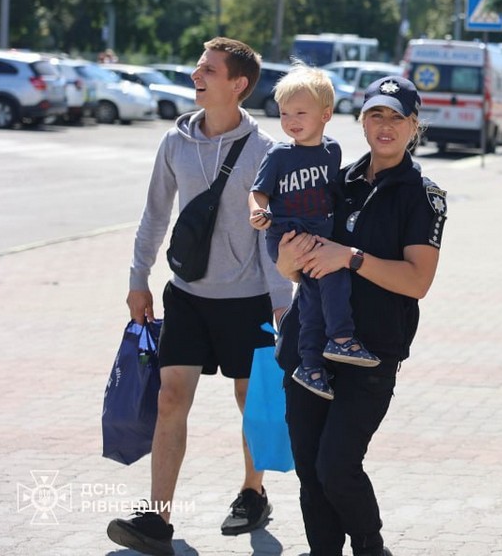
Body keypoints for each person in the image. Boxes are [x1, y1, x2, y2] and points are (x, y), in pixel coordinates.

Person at [107, 37, 294, 556]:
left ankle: (253, 492)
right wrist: (137, 277)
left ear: (238, 85)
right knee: (171, 398)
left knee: (248, 401)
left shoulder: (266, 153)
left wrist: (282, 301)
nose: (197, 74)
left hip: (249, 299)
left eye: (209, 69)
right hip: (187, 294)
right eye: (198, 66)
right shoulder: (175, 143)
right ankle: (156, 520)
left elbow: (269, 235)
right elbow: (154, 215)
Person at [275, 75, 446, 556]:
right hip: (307, 346)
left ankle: (370, 546)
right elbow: (291, 260)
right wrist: (288, 261)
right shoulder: (334, 180)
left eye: (396, 117)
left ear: (415, 126)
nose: (385, 126)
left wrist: (350, 257)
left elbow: (418, 282)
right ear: (361, 120)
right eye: (376, 115)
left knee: (337, 466)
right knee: (309, 468)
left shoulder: (423, 195)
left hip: (368, 353)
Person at [249, 65, 378, 402]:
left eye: (300, 112)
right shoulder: (279, 155)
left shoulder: (331, 151)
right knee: (327, 283)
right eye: (284, 113)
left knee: (314, 296)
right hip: (287, 236)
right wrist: (256, 212)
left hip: (319, 235)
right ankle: (339, 340)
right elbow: (258, 192)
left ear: (326, 114)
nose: (291, 120)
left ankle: (312, 366)